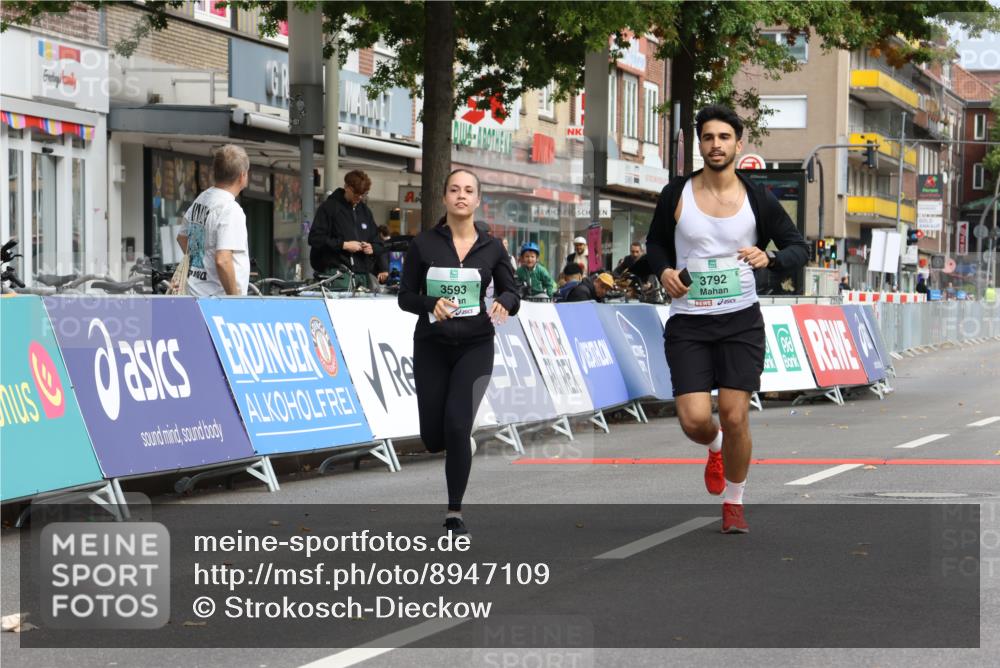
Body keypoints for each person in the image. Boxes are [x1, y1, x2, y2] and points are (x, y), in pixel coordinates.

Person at [645, 104, 809, 534]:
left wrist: (769, 257)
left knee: (736, 414)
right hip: (689, 321)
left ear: (738, 143)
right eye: (708, 138)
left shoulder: (758, 198)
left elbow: (797, 247)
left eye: (723, 138)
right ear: (699, 144)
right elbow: (655, 244)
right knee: (695, 419)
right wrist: (663, 270)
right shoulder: (676, 194)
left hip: (740, 320)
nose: (715, 145)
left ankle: (735, 502)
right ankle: (713, 445)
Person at [398, 169, 520, 535]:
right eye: (454, 190)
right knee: (433, 437)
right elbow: (405, 297)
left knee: (456, 425)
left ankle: (454, 512)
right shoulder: (423, 244)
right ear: (446, 198)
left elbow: (513, 292)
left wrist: (504, 302)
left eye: (468, 191)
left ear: (478, 199)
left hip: (475, 345)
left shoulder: (493, 247)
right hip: (432, 347)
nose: (461, 196)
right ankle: (455, 440)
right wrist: (430, 302)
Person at [176, 145, 251, 296]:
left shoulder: (202, 199)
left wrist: (200, 265)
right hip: (217, 301)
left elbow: (182, 238)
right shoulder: (230, 209)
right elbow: (223, 260)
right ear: (242, 176)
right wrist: (235, 300)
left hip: (195, 293)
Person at [308, 170, 383, 281]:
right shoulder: (329, 208)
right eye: (356, 194)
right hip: (337, 273)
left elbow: (378, 242)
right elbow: (315, 238)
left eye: (363, 194)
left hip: (362, 274)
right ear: (346, 187)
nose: (359, 198)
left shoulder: (365, 211)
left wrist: (371, 247)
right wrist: (344, 245)